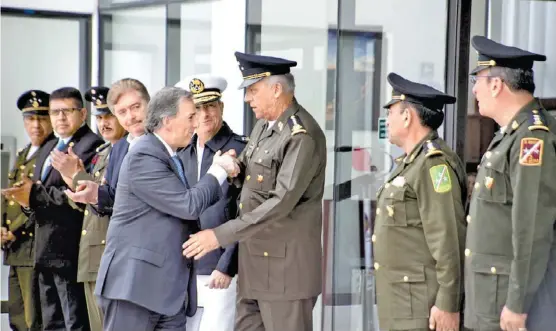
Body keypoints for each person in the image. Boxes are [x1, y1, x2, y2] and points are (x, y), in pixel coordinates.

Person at [183, 52, 327, 331]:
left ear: (276, 90)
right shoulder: (264, 126)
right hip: (254, 268)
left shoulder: (301, 135)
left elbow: (280, 203)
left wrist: (219, 236)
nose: (248, 98)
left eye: (252, 91)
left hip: (286, 273)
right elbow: (251, 177)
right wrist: (233, 169)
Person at [88, 87, 239, 331]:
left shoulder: (167, 154)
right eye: (190, 116)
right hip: (135, 289)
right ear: (168, 121)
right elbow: (188, 205)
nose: (196, 122)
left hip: (165, 292)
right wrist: (219, 169)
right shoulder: (144, 154)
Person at [464, 35, 556, 331]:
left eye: (477, 79)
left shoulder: (532, 138)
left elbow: (532, 229)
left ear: (496, 84)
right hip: (492, 297)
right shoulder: (509, 134)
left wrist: (518, 302)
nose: (475, 89)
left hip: (510, 303)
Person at [371, 73, 467, 331]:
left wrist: (448, 303)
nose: (387, 119)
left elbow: (448, 239)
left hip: (421, 308)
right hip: (402, 304)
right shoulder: (410, 163)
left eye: (391, 112)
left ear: (406, 116)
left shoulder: (432, 164)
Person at [3, 87, 104, 330]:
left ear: (82, 114)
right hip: (44, 249)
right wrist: (28, 203)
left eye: (66, 111)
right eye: (55, 112)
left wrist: (34, 196)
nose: (60, 118)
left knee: (73, 322)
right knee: (50, 323)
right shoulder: (50, 148)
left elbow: (79, 194)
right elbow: (34, 196)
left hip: (69, 250)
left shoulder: (91, 144)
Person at [51, 86, 126, 331]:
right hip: (92, 254)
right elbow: (84, 200)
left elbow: (113, 199)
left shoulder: (130, 152)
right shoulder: (104, 152)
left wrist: (76, 175)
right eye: (100, 117)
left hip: (111, 252)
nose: (104, 123)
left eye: (109, 116)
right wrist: (72, 177)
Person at [176, 74, 248, 331]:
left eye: (210, 106)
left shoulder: (241, 150)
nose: (204, 114)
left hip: (220, 270)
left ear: (222, 108)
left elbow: (248, 214)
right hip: (182, 272)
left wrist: (228, 265)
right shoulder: (180, 153)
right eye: (197, 108)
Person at [1, 90, 54, 331]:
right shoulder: (25, 153)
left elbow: (40, 200)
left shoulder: (52, 152)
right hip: (16, 250)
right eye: (30, 119)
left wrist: (16, 231)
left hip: (34, 247)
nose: (36, 125)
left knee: (34, 319)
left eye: (42, 118)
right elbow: (10, 196)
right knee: (18, 316)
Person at [63, 78, 149, 215]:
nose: (130, 116)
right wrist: (96, 194)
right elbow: (112, 198)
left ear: (149, 105)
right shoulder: (119, 148)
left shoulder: (166, 141)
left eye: (136, 107)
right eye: (122, 112)